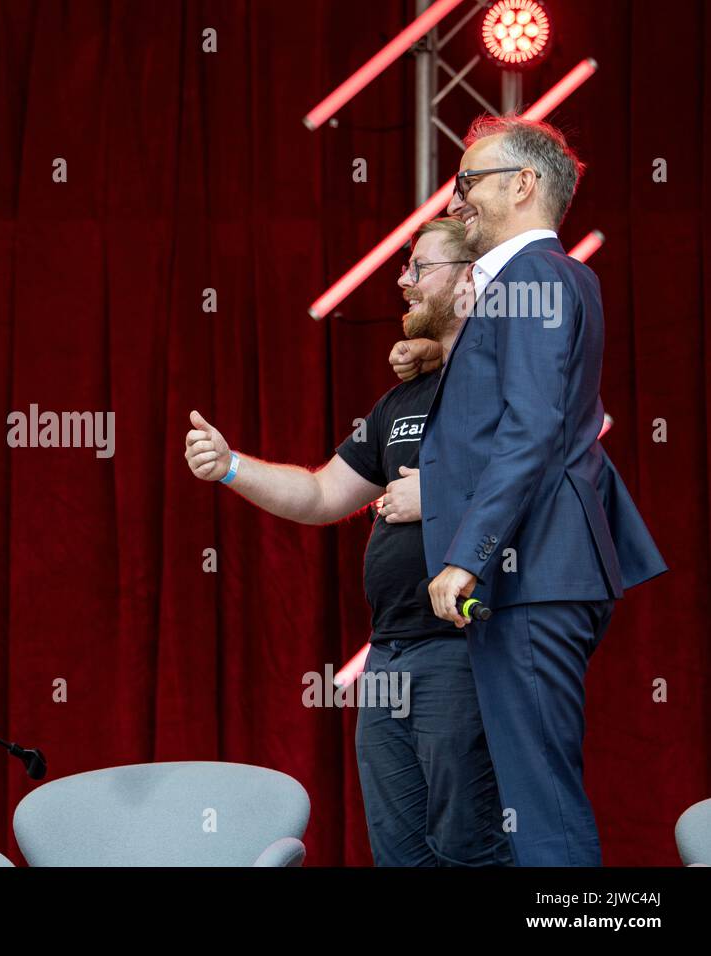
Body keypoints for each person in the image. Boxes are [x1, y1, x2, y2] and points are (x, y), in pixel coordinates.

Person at [184, 217, 511, 865]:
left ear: (471, 280)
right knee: (400, 855)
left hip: (466, 650)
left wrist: (440, 494)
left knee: (470, 849)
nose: (403, 280)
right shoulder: (400, 400)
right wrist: (229, 466)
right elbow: (321, 494)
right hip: (388, 658)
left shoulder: (510, 382)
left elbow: (540, 482)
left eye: (420, 268)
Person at [418, 113, 666, 865]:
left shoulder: (532, 278)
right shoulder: (541, 280)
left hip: (531, 571)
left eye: (468, 180)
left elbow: (530, 429)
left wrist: (469, 554)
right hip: (535, 571)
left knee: (540, 798)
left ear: (522, 184)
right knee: (530, 791)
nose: (455, 198)